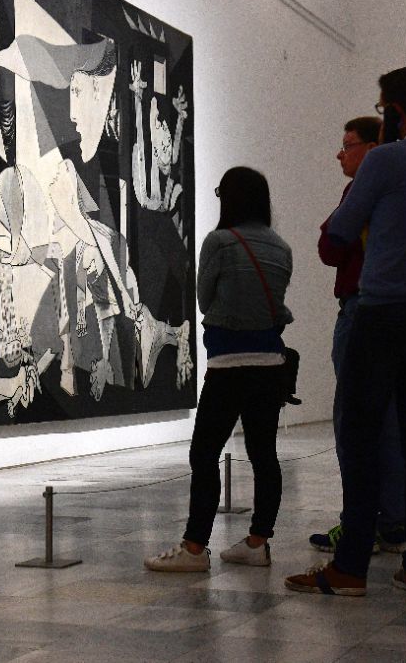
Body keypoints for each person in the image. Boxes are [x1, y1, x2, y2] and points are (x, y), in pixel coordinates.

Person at [286, 66, 406, 597]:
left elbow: (340, 234)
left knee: (360, 435)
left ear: (394, 111)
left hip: (385, 311)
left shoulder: (387, 160)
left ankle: (350, 566)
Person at [145, 167, 292, 571]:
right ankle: (258, 542)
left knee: (204, 454)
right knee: (264, 455)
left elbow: (205, 300)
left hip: (228, 364)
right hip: (270, 364)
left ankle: (195, 548)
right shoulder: (281, 247)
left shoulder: (219, 242)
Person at [308, 116, 406, 556]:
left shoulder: (363, 190)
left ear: (372, 148)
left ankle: (359, 525)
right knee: (391, 421)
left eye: (347, 145)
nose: (339, 154)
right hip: (405, 313)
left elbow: (331, 246)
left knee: (354, 420)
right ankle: (393, 521)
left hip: (362, 309)